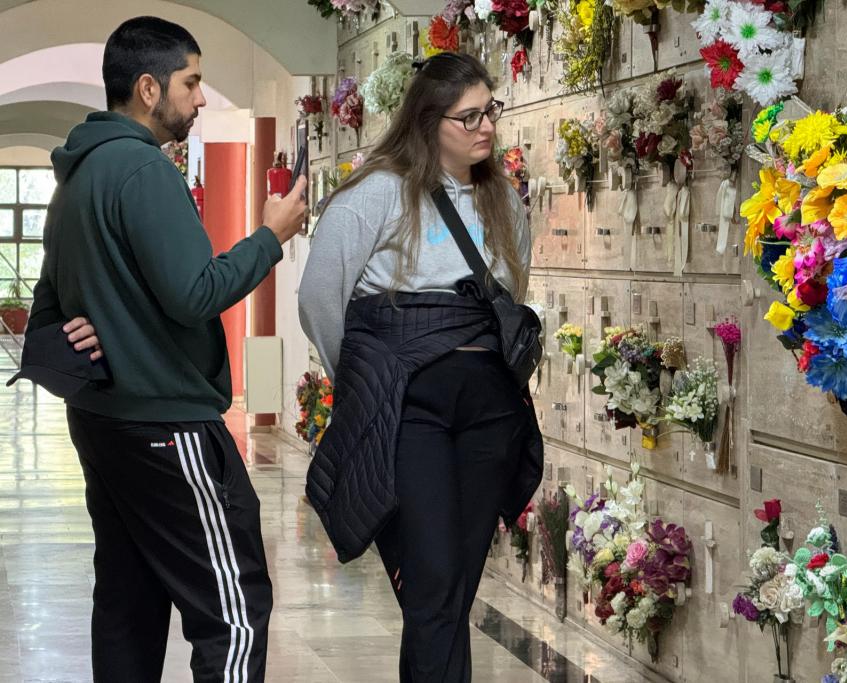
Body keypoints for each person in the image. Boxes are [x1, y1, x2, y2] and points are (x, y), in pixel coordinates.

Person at [26, 16, 306, 683]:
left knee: (129, 603)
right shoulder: (141, 170)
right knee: (234, 607)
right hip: (166, 424)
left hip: (105, 422)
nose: (201, 97)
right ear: (149, 88)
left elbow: (46, 311)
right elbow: (194, 292)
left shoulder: (76, 178)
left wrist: (77, 330)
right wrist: (269, 236)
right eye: (192, 81)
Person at [298, 52, 543, 682]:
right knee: (433, 583)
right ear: (429, 121)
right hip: (411, 404)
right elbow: (320, 297)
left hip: (489, 406)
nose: (487, 127)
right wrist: (362, 380)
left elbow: (508, 296)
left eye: (492, 111)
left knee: (452, 588)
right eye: (470, 117)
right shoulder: (375, 193)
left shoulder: (504, 203)